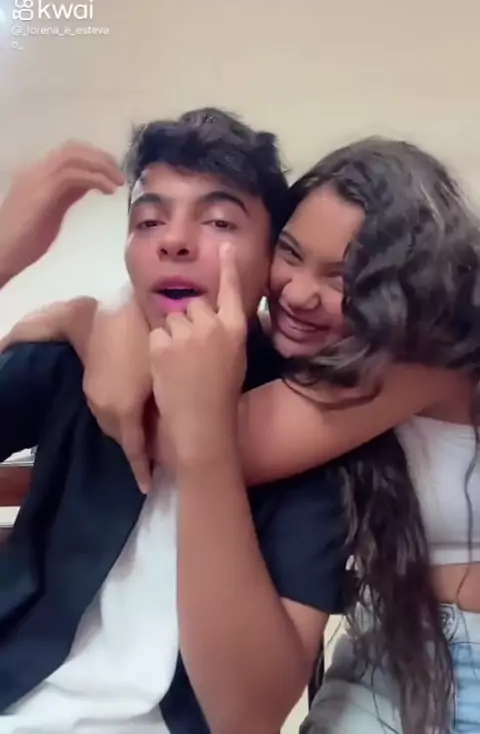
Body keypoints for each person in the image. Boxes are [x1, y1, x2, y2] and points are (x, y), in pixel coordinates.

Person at [18, 131, 480, 733]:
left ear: (407, 287)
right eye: (291, 254)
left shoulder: (430, 351)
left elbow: (192, 434)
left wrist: (91, 322)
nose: (299, 293)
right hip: (386, 649)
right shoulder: (313, 356)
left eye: (344, 277)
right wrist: (115, 312)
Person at [0, 112, 349, 734]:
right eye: (149, 221)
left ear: (272, 259)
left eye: (219, 222)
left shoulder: (308, 420)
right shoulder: (72, 367)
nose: (174, 241)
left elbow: (249, 716)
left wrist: (204, 425)